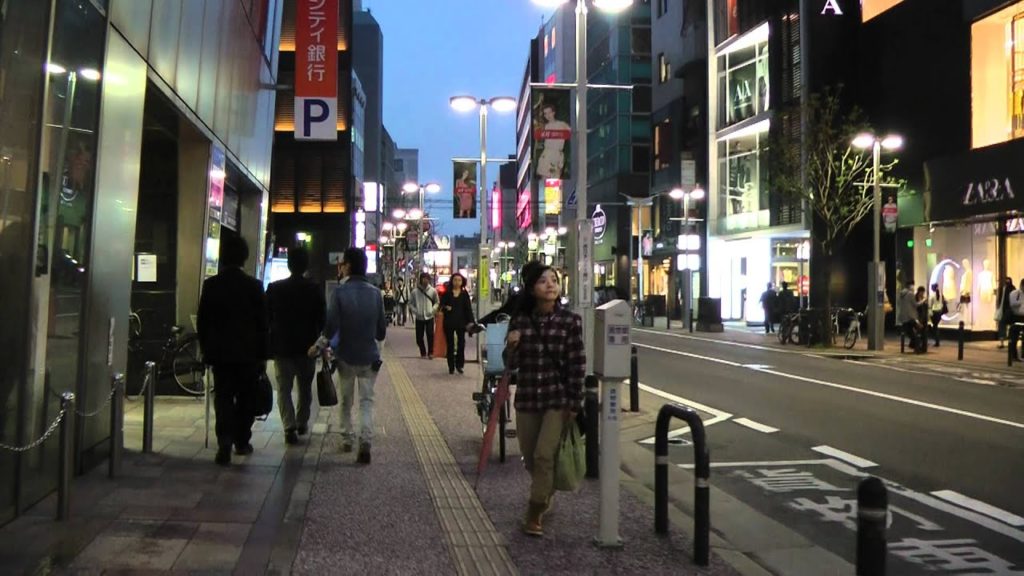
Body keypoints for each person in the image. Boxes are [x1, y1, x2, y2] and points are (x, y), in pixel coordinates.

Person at [505, 265, 585, 537]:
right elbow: (511, 365)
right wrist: (512, 346)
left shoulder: (570, 322)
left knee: (544, 455)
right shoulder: (520, 321)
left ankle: (535, 510)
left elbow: (577, 364)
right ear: (531, 288)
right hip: (528, 398)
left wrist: (575, 403)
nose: (550, 285)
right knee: (530, 458)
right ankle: (546, 490)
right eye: (543, 281)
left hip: (556, 400)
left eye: (554, 280)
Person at [309, 247, 386, 464]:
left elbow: (331, 326)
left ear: (349, 266)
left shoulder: (340, 293)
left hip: (345, 356)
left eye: (342, 263)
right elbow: (381, 331)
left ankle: (346, 438)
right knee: (367, 401)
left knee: (346, 400)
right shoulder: (375, 294)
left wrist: (318, 346)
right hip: (369, 356)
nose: (340, 267)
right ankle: (365, 441)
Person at [197, 236, 268, 466]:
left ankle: (224, 441)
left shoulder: (211, 285)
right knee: (247, 396)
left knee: (223, 397)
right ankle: (241, 440)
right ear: (245, 257)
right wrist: (263, 354)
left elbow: (203, 321)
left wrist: (206, 349)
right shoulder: (254, 286)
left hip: (220, 354)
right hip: (248, 354)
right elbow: (262, 324)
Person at [266, 246, 325, 445]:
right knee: (305, 388)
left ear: (289, 264)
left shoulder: (275, 288)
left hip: (282, 347)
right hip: (307, 348)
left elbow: (267, 318)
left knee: (283, 389)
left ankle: (288, 427)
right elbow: (322, 319)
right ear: (306, 265)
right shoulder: (314, 289)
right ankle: (301, 422)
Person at [440, 272, 475, 374]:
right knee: (450, 345)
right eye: (455, 280)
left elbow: (468, 309)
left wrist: (471, 322)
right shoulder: (447, 293)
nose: (457, 282)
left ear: (462, 282)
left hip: (461, 322)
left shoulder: (464, 294)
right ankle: (451, 366)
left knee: (461, 344)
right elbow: (441, 306)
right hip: (449, 322)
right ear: (452, 281)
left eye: (459, 280)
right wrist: (446, 307)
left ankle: (460, 365)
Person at [534, 102, 571, 179]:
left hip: (557, 155)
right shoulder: (545, 126)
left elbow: (573, 133)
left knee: (555, 180)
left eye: (549, 113)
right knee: (544, 179)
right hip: (547, 155)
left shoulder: (562, 124)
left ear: (553, 113)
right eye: (545, 114)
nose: (548, 115)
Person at [410, 272, 439, 358]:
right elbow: (410, 303)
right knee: (419, 338)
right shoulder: (415, 292)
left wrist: (433, 310)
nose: (425, 280)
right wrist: (416, 311)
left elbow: (437, 302)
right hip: (419, 317)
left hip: (429, 316)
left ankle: (431, 352)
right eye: (423, 278)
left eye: (427, 278)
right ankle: (423, 352)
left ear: (429, 280)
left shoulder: (433, 291)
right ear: (420, 279)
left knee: (430, 335)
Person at [897, 280, 920, 352]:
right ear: (911, 285)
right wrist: (922, 301)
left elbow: (899, 304)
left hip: (903, 317)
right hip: (910, 317)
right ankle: (916, 346)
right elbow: (915, 305)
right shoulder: (910, 294)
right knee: (919, 329)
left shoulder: (901, 293)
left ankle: (913, 345)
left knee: (910, 332)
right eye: (913, 285)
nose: (913, 287)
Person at [997, 277, 1016, 348]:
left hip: (1009, 309)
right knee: (1003, 324)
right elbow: (1001, 299)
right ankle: (1005, 341)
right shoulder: (1003, 288)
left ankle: (1006, 341)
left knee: (1003, 324)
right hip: (1005, 309)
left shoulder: (1011, 288)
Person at [928, 282, 945, 348]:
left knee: (935, 327)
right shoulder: (940, 294)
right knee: (936, 326)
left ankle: (937, 341)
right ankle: (937, 340)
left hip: (934, 311)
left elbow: (930, 305)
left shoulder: (932, 295)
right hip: (939, 311)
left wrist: (929, 313)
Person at [915, 286, 929, 352]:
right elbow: (915, 306)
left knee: (924, 333)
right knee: (918, 333)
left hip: (924, 318)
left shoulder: (923, 298)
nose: (922, 293)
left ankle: (924, 348)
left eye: (923, 292)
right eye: (922, 292)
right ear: (919, 291)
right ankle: (917, 347)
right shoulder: (915, 298)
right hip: (918, 317)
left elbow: (926, 308)